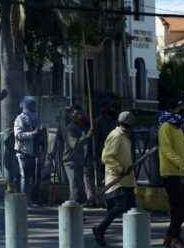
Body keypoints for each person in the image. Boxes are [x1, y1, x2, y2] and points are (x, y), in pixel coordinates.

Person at [93, 111, 137, 247]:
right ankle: (100, 229)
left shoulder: (124, 136)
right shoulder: (116, 136)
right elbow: (106, 157)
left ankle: (132, 238)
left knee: (131, 208)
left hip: (126, 179)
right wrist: (121, 169)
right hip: (117, 179)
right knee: (122, 206)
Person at [158, 100, 184, 248]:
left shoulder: (177, 128)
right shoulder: (165, 127)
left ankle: (171, 237)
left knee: (182, 207)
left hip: (180, 173)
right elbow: (167, 150)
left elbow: (182, 144)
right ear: (171, 110)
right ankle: (173, 238)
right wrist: (182, 165)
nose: (181, 112)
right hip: (170, 172)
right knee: (179, 207)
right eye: (179, 108)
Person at [56, 102, 91, 203]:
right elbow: (74, 144)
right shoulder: (70, 128)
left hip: (79, 160)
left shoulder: (80, 127)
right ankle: (71, 210)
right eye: (77, 115)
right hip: (71, 161)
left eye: (81, 114)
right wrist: (87, 136)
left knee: (79, 187)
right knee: (75, 187)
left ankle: (78, 210)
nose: (80, 116)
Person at [14, 96, 42, 205]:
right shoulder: (20, 118)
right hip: (23, 152)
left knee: (33, 177)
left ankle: (32, 198)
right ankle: (23, 200)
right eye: (31, 105)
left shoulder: (36, 117)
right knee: (24, 177)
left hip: (35, 151)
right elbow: (18, 135)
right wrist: (32, 134)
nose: (33, 107)